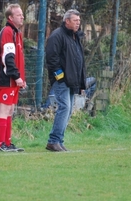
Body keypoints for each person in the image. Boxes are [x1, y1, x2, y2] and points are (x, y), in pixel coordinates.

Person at [45, 9, 87, 152]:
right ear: (67, 21)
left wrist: (81, 83)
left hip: (72, 82)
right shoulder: (57, 36)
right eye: (75, 20)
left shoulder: (76, 37)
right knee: (65, 108)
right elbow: (51, 59)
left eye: (79, 21)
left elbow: (79, 61)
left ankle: (59, 141)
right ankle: (53, 141)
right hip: (62, 81)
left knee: (67, 110)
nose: (78, 23)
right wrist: (60, 78)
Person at [0, 3, 26, 152]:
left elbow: (17, 59)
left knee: (10, 110)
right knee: (4, 110)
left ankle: (7, 143)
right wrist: (16, 76)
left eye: (22, 14)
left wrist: (21, 78)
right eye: (18, 14)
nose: (22, 16)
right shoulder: (8, 32)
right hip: (6, 79)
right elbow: (8, 57)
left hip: (13, 80)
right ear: (10, 17)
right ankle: (0, 144)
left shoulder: (17, 33)